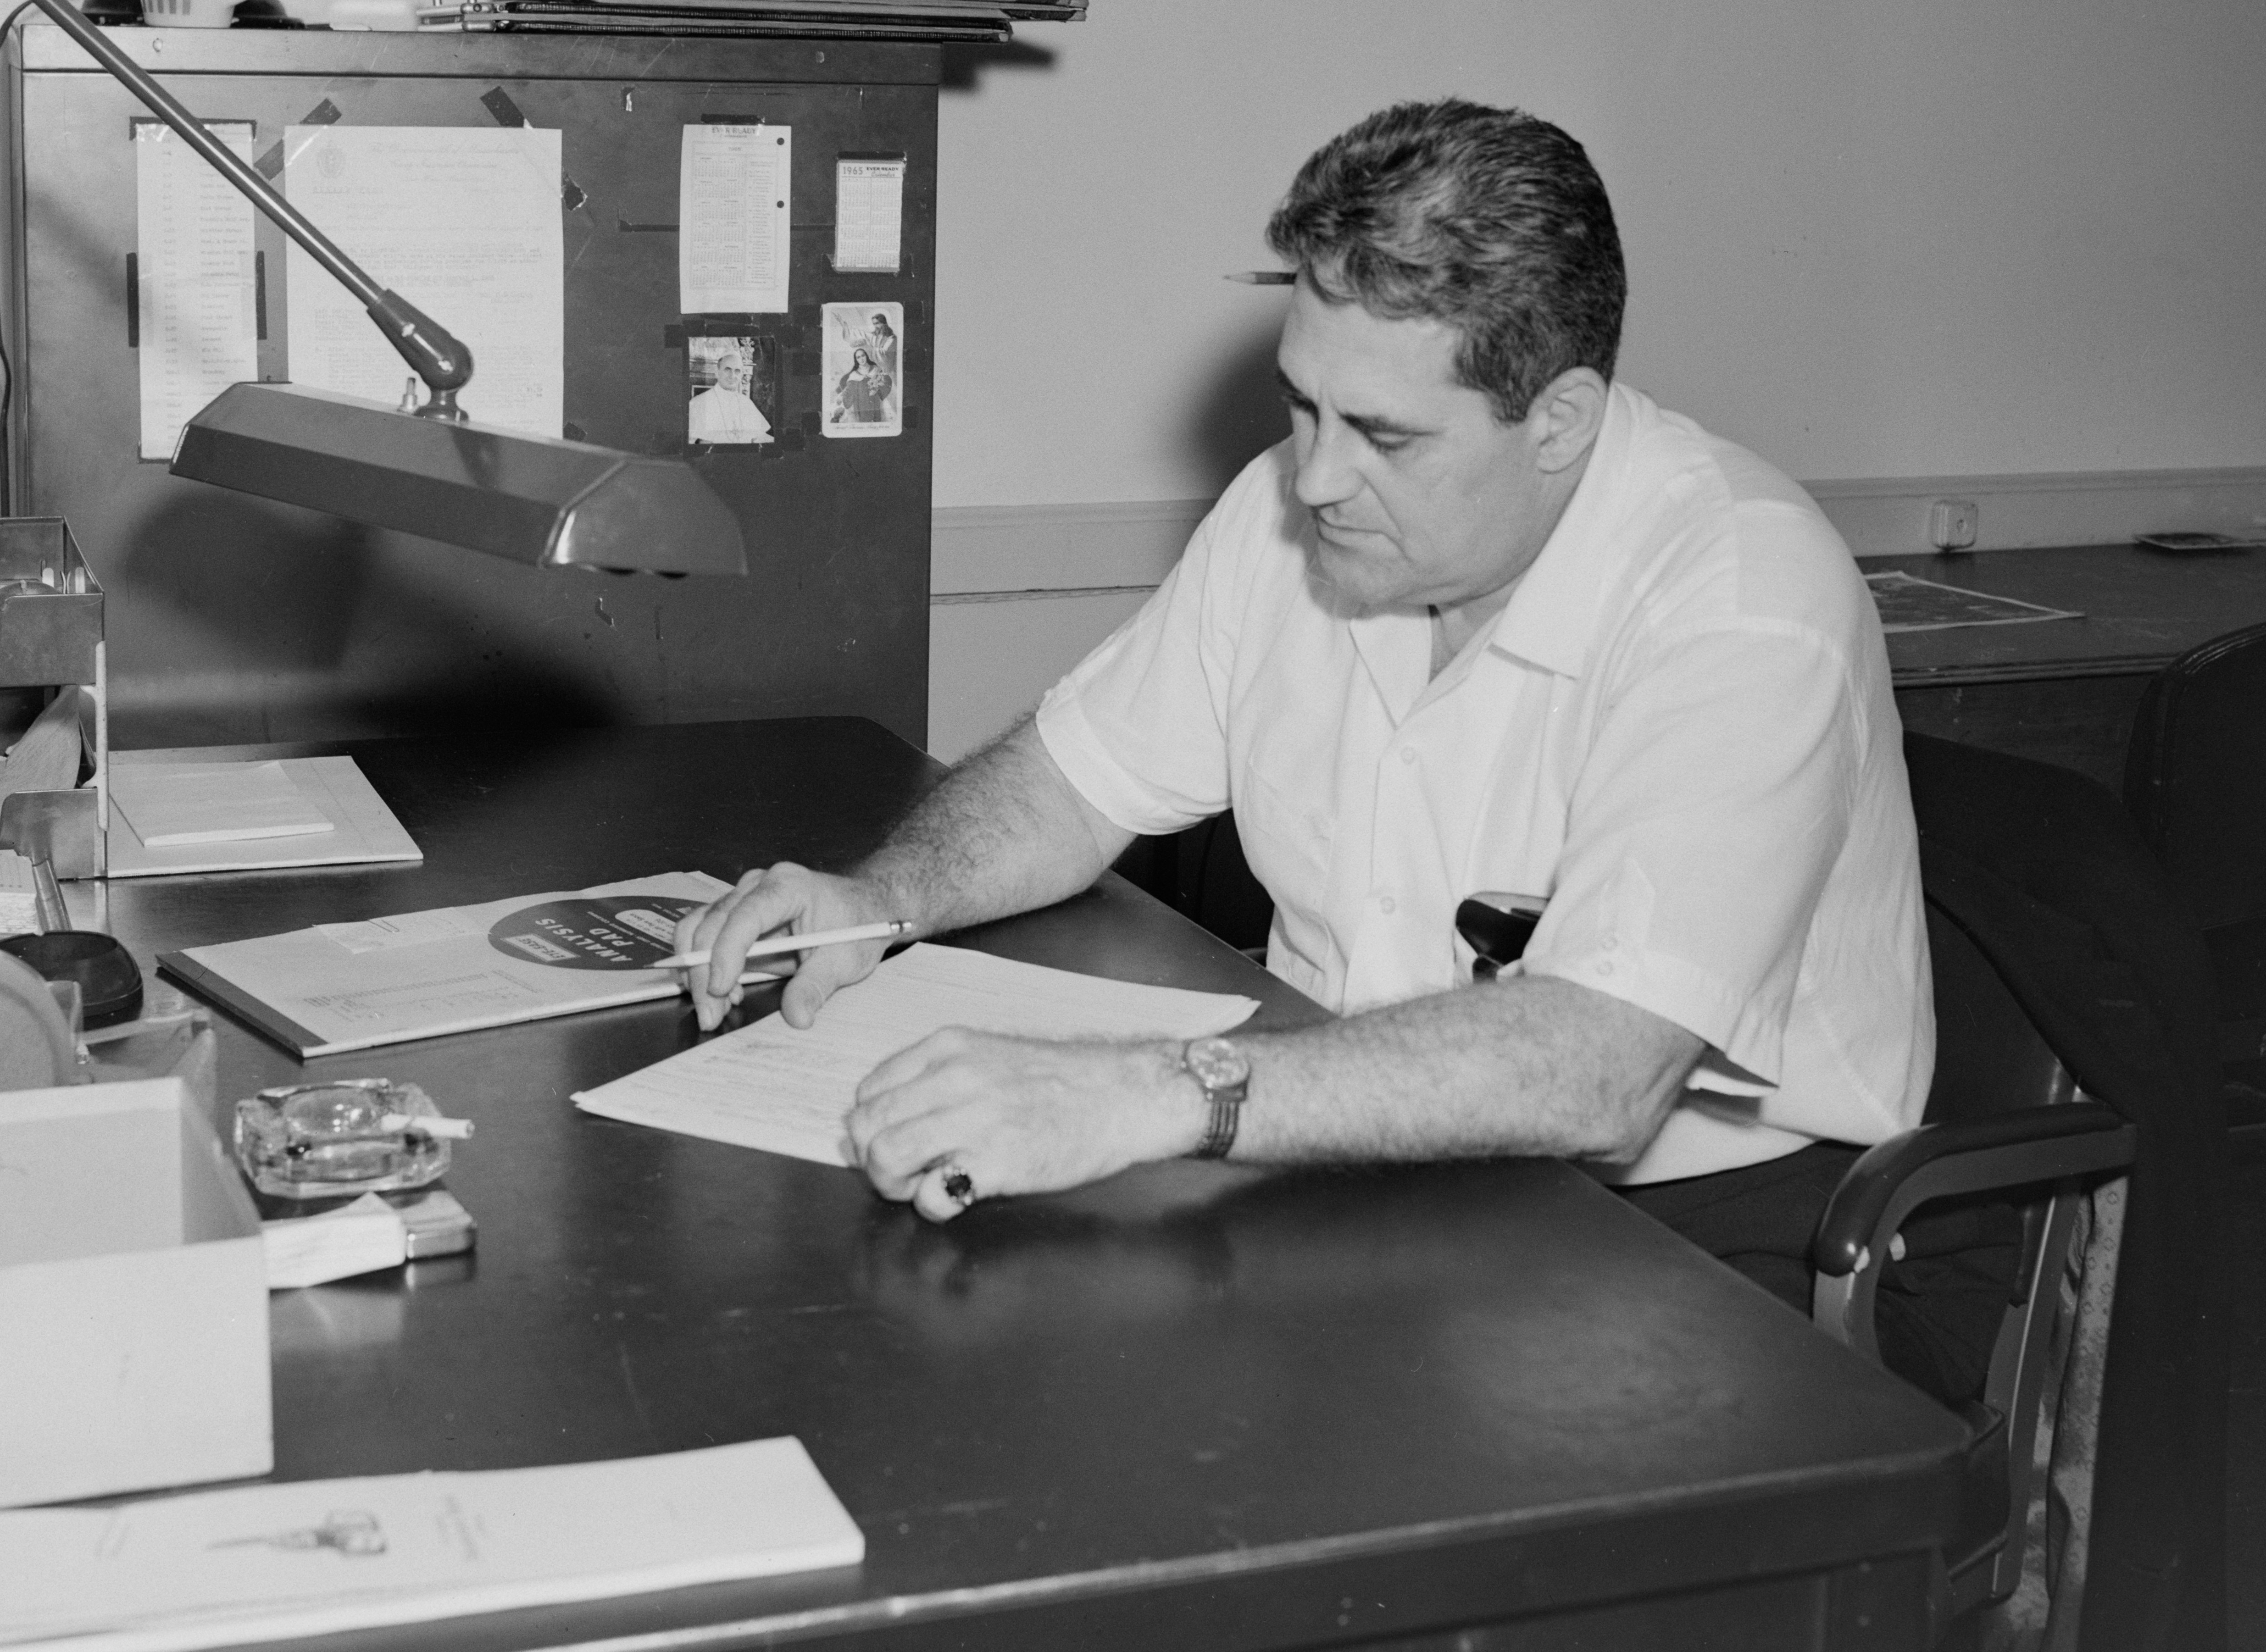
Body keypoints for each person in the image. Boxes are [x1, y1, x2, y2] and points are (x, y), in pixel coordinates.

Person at [682, 99, 2009, 1400]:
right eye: (1303, 405)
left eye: (1381, 433)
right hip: (1359, 1161)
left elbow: (1601, 1068)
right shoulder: (1301, 509)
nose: (1311, 477)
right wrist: (884, 896)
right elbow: (1072, 780)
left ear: (1560, 421)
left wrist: (1146, 1098)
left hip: (1711, 1233)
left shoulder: (1739, 595)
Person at [688, 342, 771, 443]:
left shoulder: (746, 403)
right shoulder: (699, 403)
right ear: (717, 373)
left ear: (741, 376)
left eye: (737, 371)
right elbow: (688, 443)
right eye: (728, 370)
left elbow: (759, 437)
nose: (733, 376)